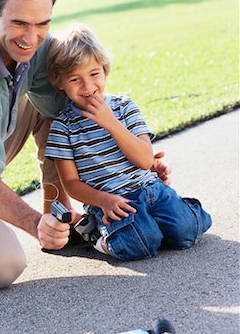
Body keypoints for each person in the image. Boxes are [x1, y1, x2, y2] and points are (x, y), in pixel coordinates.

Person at [0, 0, 170, 291]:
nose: (31, 38)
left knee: (60, 104)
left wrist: (132, 164)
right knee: (1, 265)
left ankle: (59, 213)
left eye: (42, 23)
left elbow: (78, 109)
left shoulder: (32, 45)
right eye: (19, 23)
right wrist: (36, 225)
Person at [45, 24, 212, 260]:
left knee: (187, 233)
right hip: (111, 201)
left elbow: (145, 160)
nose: (88, 86)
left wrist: (111, 123)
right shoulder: (63, 127)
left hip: (150, 189)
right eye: (75, 79)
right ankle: (95, 233)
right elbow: (71, 183)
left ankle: (165, 216)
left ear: (104, 70)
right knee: (141, 245)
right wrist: (104, 200)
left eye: (94, 74)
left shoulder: (124, 107)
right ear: (59, 82)